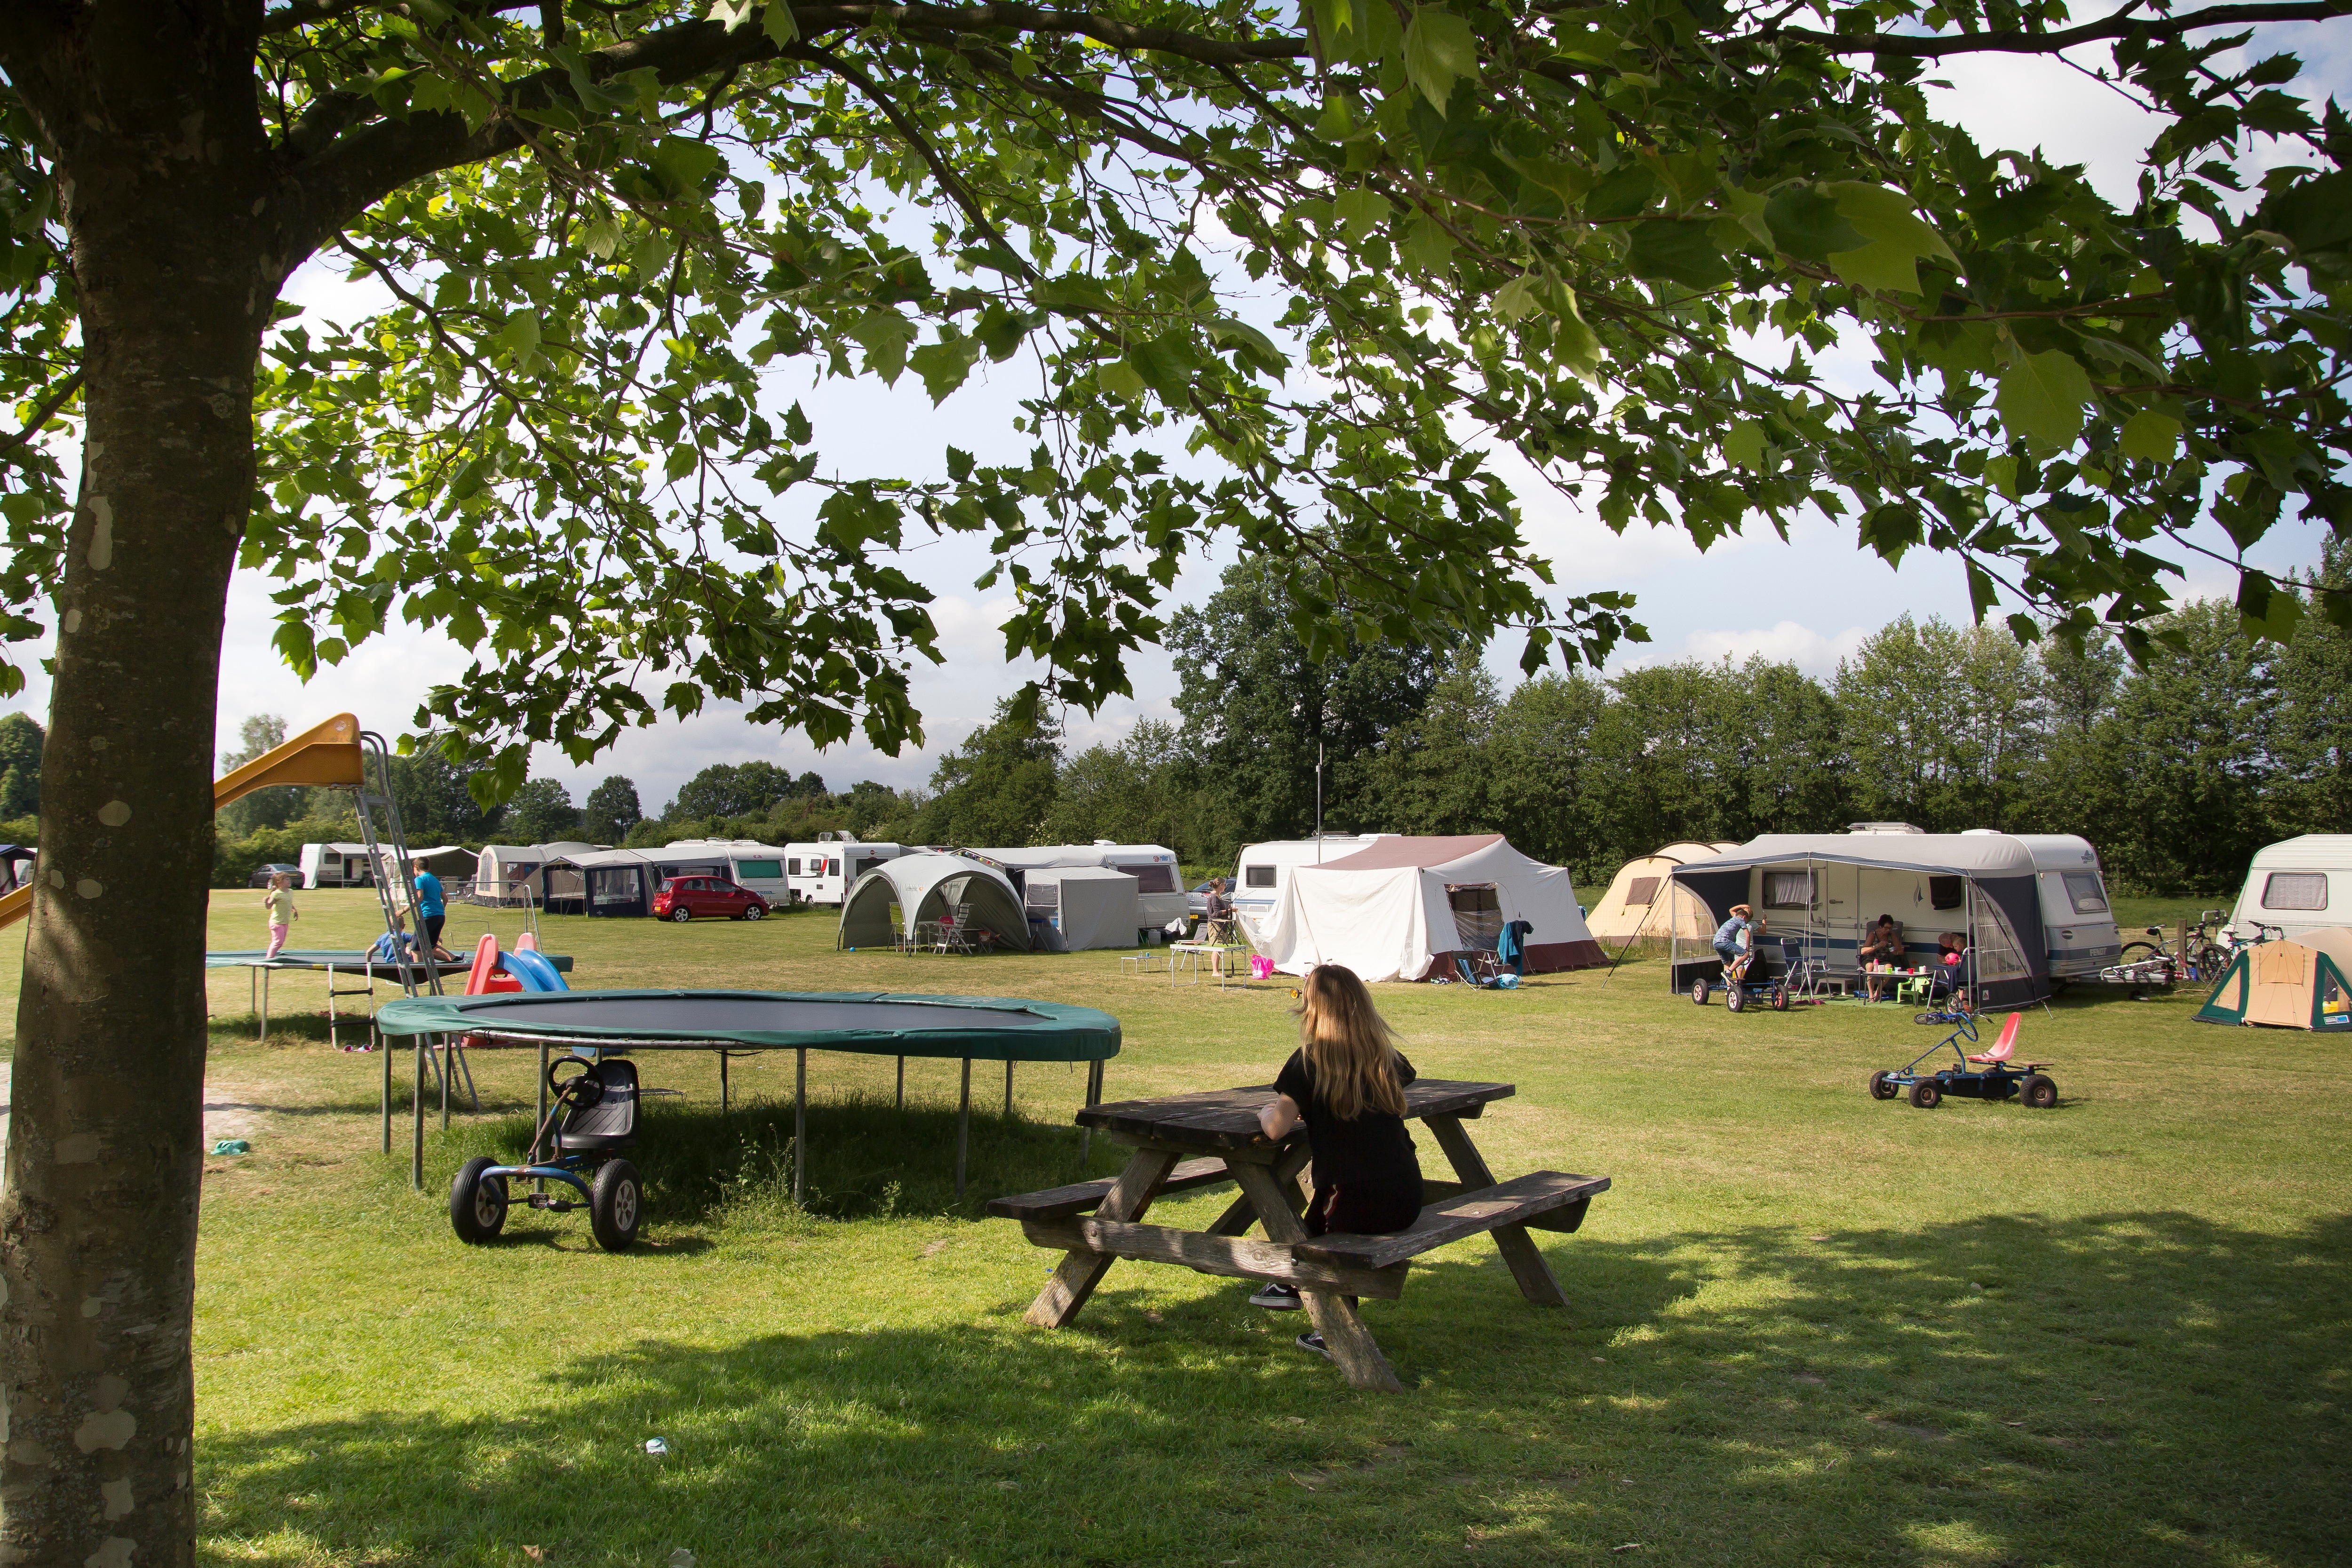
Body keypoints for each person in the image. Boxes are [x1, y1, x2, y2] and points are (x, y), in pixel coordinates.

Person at [1247, 964, 1424, 1360]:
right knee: (1326, 1206)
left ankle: (1334, 1330)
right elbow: (1403, 1077)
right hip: (1408, 1195)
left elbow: (1276, 1129)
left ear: (1313, 1010)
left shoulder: (1307, 1062)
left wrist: (1263, 1112)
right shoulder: (1384, 1056)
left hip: (1357, 1203)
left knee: (1331, 1217)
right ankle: (1291, 1284)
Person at [1859, 914, 1905, 1000]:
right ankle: (1871, 995)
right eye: (1886, 928)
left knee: (1889, 968)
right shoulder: (1873, 934)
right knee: (1870, 967)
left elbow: (1900, 950)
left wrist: (1896, 952)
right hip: (1870, 958)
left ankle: (1878, 992)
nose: (1888, 930)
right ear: (1880, 926)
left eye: (1890, 928)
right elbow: (1863, 951)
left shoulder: (1892, 935)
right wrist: (1877, 946)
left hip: (1884, 959)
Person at [261, 872, 297, 961]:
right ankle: (269, 959)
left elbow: (288, 903)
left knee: (280, 943)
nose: (289, 881)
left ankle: (270, 958)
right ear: (279, 882)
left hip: (285, 922)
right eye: (286, 879)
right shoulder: (276, 893)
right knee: (278, 942)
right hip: (277, 922)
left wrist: (294, 910)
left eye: (289, 879)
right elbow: (269, 906)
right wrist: (266, 902)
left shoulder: (290, 892)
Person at [1712, 904, 1755, 975]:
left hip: (1716, 942)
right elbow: (1748, 935)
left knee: (1727, 963)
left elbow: (1731, 910)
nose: (1746, 923)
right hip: (1725, 941)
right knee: (1745, 955)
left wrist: (1742, 906)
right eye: (1746, 921)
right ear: (1744, 917)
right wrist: (1747, 949)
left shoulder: (1734, 918)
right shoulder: (1741, 920)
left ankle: (1729, 986)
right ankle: (1729, 972)